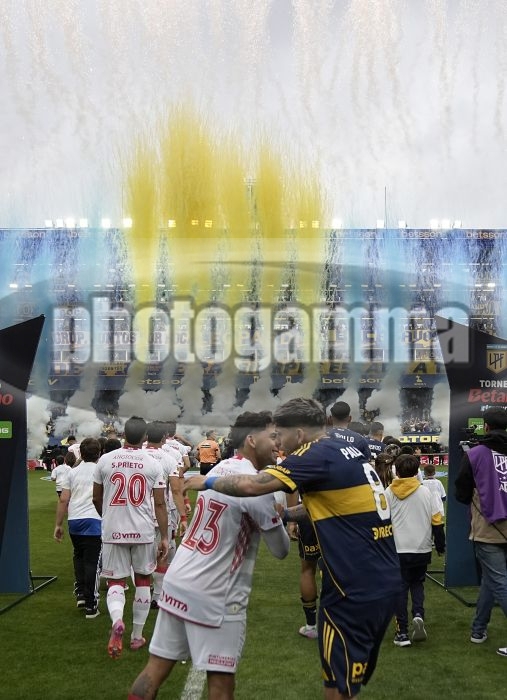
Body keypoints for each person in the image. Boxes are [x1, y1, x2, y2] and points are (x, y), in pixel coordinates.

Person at [185, 398, 401, 700]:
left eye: (280, 435)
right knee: (345, 682)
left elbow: (253, 485)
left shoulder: (312, 453)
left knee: (338, 688)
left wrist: (206, 482)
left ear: (299, 434)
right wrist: (286, 515)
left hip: (352, 587)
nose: (278, 443)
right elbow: (327, 505)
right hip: (384, 579)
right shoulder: (344, 448)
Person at [128, 411, 290, 700]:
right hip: (216, 593)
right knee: (221, 686)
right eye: (273, 436)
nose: (278, 443)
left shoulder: (218, 469)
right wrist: (281, 516)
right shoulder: (256, 484)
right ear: (252, 440)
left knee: (154, 671)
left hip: (179, 579)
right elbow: (281, 549)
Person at [93, 416, 169, 659]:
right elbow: (160, 503)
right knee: (143, 580)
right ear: (145, 437)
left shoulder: (105, 460)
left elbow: (96, 497)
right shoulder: (152, 463)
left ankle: (117, 621)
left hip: (113, 529)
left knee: (116, 582)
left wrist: (108, 516)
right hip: (143, 530)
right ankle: (137, 636)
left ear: (123, 434)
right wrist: (164, 536)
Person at [455, 407, 507, 655]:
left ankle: (478, 629)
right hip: (495, 527)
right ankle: (478, 629)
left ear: (486, 427)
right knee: (491, 579)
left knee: (500, 581)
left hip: (488, 528)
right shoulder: (477, 452)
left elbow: (461, 493)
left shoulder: (475, 454)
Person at [385, 454, 445, 647]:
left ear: (396, 471)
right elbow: (437, 521)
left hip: (398, 548)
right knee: (418, 584)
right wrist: (440, 545)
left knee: (400, 589)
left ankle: (402, 632)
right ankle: (418, 614)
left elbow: (382, 521)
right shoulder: (426, 491)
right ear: (416, 471)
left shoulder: (388, 492)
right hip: (421, 547)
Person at [54, 437, 102, 617]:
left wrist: (58, 524)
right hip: (94, 518)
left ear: (80, 453)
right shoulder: (101, 470)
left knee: (79, 555)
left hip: (75, 519)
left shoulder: (72, 472)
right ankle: (91, 604)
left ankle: (81, 593)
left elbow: (63, 499)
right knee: (92, 561)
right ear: (99, 453)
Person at [143, 421, 188, 608]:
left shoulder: (139, 454)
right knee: (163, 552)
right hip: (163, 511)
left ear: (146, 436)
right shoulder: (169, 458)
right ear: (164, 437)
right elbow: (176, 490)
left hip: (139, 512)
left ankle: (143, 592)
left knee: (142, 554)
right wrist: (183, 516)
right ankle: (157, 596)